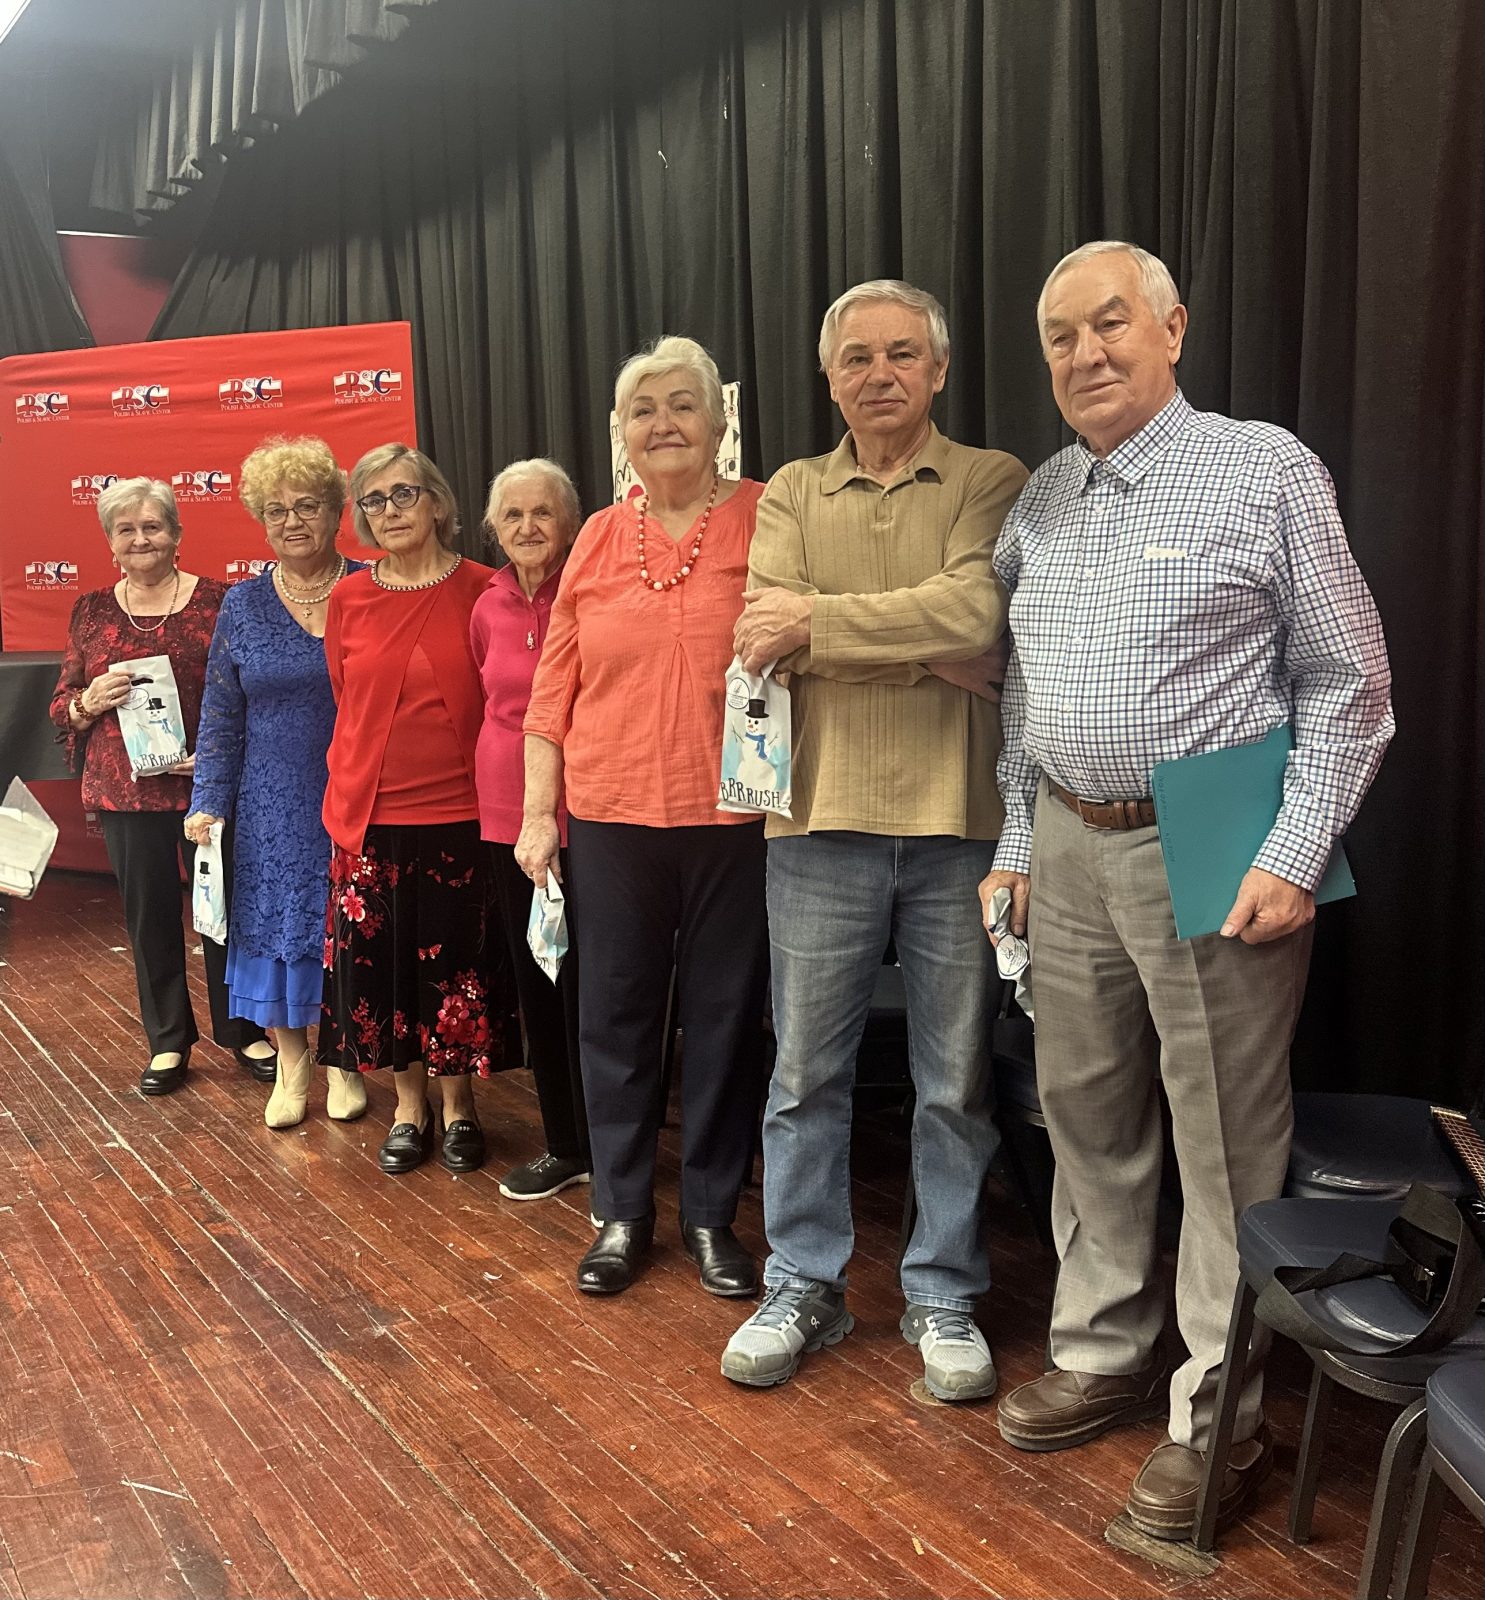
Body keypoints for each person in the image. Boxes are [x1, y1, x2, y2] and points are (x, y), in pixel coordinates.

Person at [983, 240, 1393, 1540]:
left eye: (1110, 323)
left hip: (1214, 834)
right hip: (1067, 836)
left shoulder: (1263, 468)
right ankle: (1102, 1348)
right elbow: (1019, 691)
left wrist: (1292, 849)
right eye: (1061, 336)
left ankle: (1220, 1413)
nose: (1085, 353)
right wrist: (1014, 840)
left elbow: (1349, 681)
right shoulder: (1042, 496)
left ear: (1171, 328)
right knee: (1086, 1112)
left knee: (1224, 1142)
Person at [720, 281, 1029, 1400]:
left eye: (903, 353)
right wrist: (922, 646)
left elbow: (979, 616)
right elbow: (762, 633)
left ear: (938, 370)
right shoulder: (791, 490)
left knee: (954, 1083)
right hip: (816, 819)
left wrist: (823, 623)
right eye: (857, 357)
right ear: (829, 375)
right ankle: (803, 1282)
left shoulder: (991, 478)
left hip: (960, 826)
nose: (880, 373)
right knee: (805, 1075)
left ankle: (942, 1292)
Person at [519, 335, 769, 1298]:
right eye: (642, 409)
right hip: (612, 815)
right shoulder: (593, 537)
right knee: (614, 1019)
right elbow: (551, 691)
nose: (662, 424)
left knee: (723, 1021)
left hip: (735, 819)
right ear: (620, 431)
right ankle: (621, 1212)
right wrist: (539, 815)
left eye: (681, 404)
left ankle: (710, 1215)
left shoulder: (767, 515)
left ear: (718, 419)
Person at [317, 443, 506, 1176]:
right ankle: (407, 1107)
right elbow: (348, 700)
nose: (390, 510)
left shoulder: (484, 589)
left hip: (463, 813)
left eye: (404, 494)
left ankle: (459, 1108)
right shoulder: (348, 598)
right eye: (374, 500)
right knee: (387, 973)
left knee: (456, 972)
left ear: (437, 502)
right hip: (369, 818)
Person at [48, 477, 270, 1094]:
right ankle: (168, 1040)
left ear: (176, 534)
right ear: (110, 541)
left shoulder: (223, 601)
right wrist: (89, 700)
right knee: (148, 918)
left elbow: (251, 693)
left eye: (152, 526)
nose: (141, 539)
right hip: (126, 791)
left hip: (209, 784)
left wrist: (219, 757)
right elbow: (62, 704)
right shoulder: (91, 610)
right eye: (127, 529)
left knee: (226, 910)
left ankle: (245, 1031)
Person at [184, 436, 368, 1129]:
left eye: (308, 506)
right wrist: (208, 801)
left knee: (347, 923)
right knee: (276, 926)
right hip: (269, 801)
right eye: (277, 510)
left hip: (360, 792)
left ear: (337, 511)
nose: (293, 521)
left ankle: (345, 1061)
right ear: (261, 521)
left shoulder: (371, 588)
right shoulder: (242, 606)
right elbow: (221, 715)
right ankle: (293, 1064)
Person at [469, 458, 591, 1201]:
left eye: (542, 512)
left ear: (570, 521)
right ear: (493, 527)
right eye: (512, 515)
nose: (527, 527)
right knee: (538, 983)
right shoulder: (486, 605)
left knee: (592, 987)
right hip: (505, 820)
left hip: (589, 816)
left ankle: (611, 1143)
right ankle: (564, 1144)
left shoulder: (593, 587)